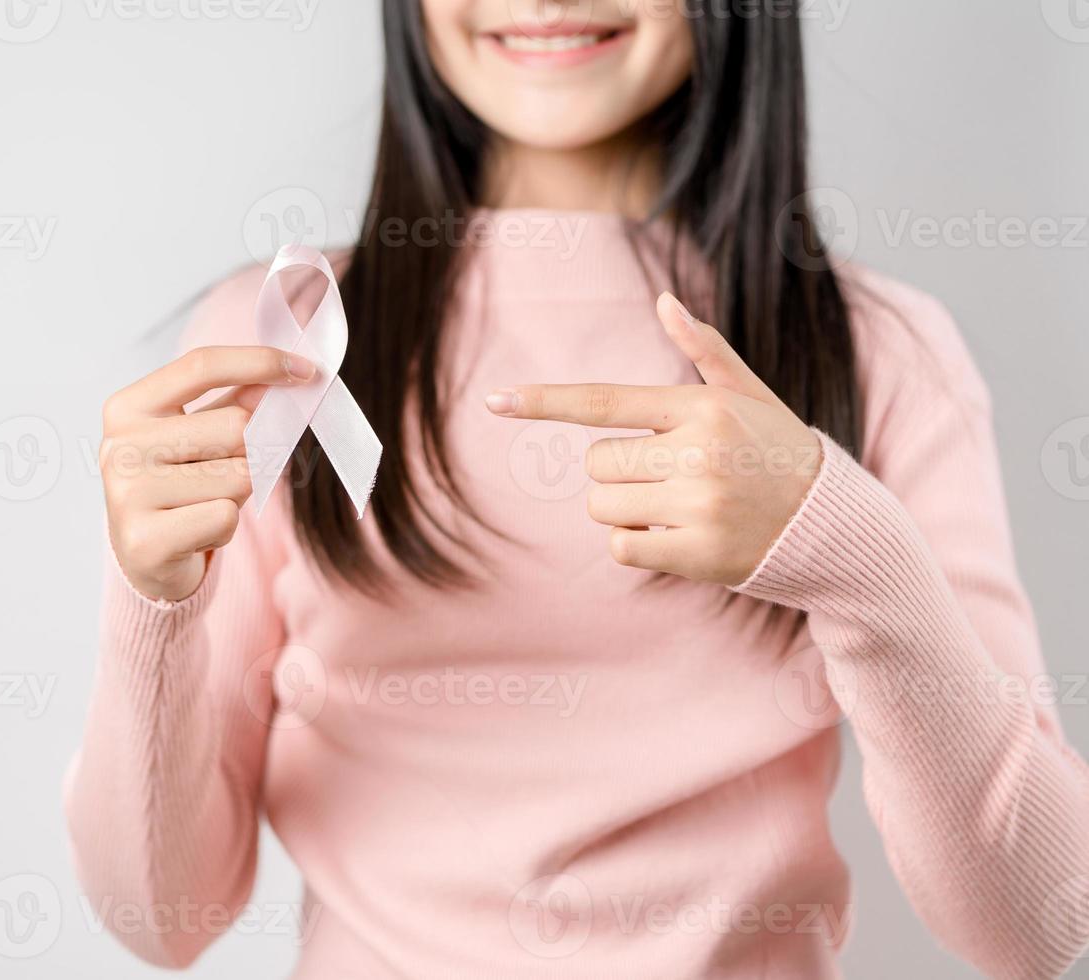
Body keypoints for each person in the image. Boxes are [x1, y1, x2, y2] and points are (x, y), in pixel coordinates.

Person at [65, 2, 1089, 976]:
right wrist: (153, 601)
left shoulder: (876, 356)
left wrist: (857, 557)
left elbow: (1033, 926)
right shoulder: (285, 339)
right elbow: (162, 918)